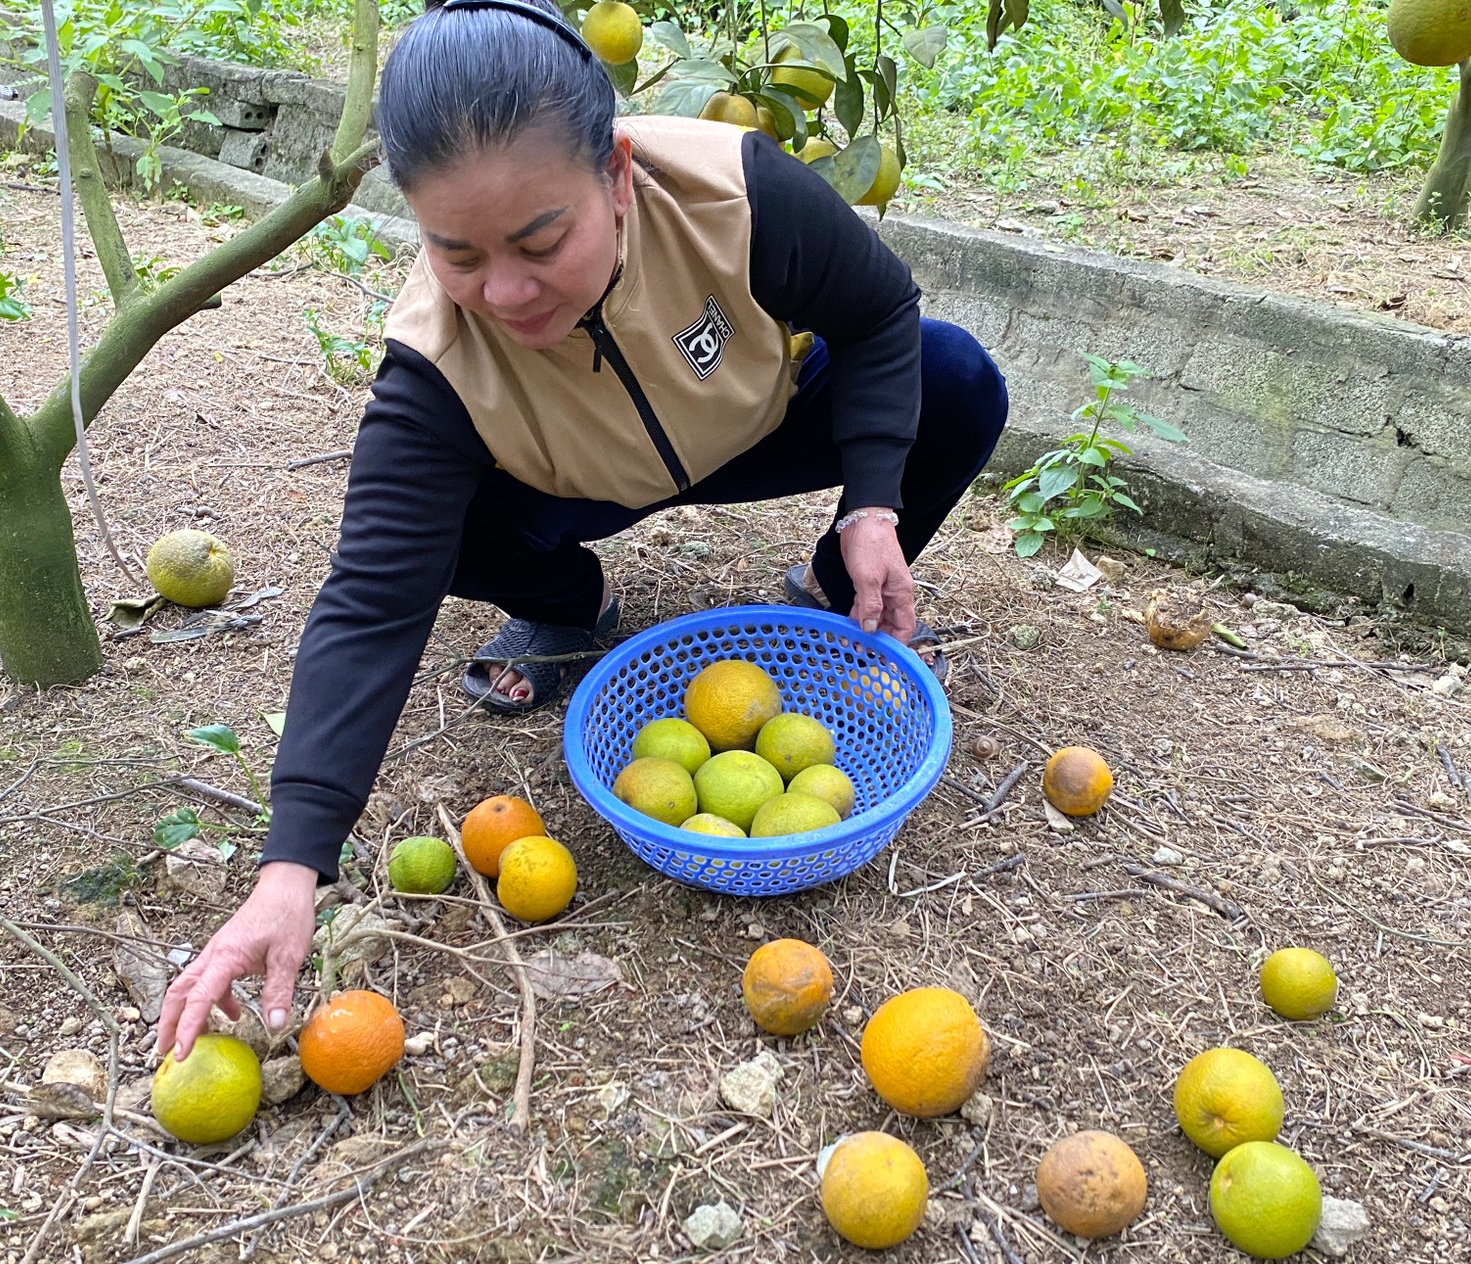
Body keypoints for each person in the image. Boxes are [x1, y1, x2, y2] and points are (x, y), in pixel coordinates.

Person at [154, 0, 1008, 1059]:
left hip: (755, 417)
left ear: (615, 171)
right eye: (455, 252)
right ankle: (570, 608)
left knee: (956, 378)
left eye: (539, 239)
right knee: (441, 537)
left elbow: (878, 316)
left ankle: (836, 594)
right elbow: (371, 602)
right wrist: (292, 869)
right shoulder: (433, 364)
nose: (503, 291)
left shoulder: (729, 189)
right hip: (583, 477)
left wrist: (872, 501)